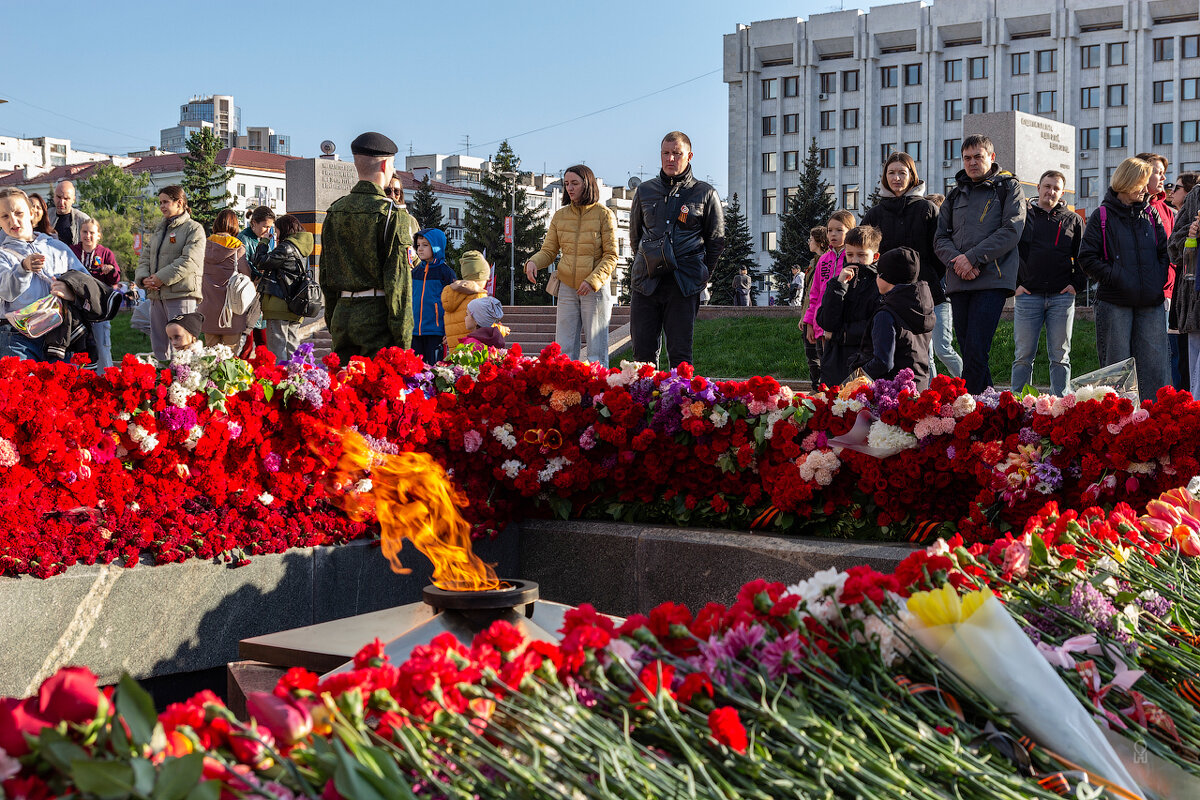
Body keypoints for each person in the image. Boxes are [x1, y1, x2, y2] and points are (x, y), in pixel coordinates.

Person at [934, 134, 1026, 394]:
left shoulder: (1008, 187)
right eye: (967, 158)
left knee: (976, 347)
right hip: (959, 279)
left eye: (978, 156)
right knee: (970, 350)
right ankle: (989, 406)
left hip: (992, 279)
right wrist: (958, 262)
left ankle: (969, 408)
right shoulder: (953, 196)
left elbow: (1012, 229)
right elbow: (940, 238)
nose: (972, 162)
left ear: (992, 157)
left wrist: (972, 257)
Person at [1078, 157, 1171, 403]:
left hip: (1151, 303)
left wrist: (1156, 280)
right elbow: (1087, 257)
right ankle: (1117, 425)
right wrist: (1117, 278)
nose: (1145, 189)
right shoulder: (1102, 216)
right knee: (1115, 371)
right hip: (1114, 303)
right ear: (1127, 182)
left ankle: (1153, 422)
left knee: (1154, 369)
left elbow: (1164, 253)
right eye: (1141, 183)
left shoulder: (1152, 214)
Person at [861, 151, 961, 380]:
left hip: (925, 293)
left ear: (912, 176)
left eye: (902, 173)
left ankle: (940, 396)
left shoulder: (927, 209)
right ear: (885, 176)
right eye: (891, 173)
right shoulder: (875, 214)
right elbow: (866, 252)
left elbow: (939, 250)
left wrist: (926, 278)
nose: (896, 178)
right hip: (887, 297)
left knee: (929, 352)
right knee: (899, 354)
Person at [629, 131, 725, 368]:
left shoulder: (705, 193)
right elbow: (635, 236)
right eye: (665, 153)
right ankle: (644, 402)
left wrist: (701, 273)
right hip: (646, 281)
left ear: (689, 156)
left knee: (681, 356)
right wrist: (648, 260)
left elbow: (716, 240)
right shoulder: (645, 191)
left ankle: (680, 402)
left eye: (676, 153)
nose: (670, 158)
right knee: (642, 356)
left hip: (683, 282)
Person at [318, 131, 413, 362]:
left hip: (342, 316)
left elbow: (325, 276)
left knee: (342, 393)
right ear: (385, 165)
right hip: (377, 321)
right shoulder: (391, 213)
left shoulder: (334, 211)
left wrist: (334, 320)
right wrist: (403, 342)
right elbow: (398, 283)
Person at [525, 164, 618, 363]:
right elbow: (549, 251)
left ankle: (598, 392)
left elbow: (611, 256)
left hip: (594, 289)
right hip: (567, 287)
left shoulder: (604, 215)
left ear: (588, 184)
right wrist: (533, 262)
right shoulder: (560, 216)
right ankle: (565, 392)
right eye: (567, 184)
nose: (570, 188)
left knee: (596, 350)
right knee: (563, 349)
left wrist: (592, 280)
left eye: (575, 183)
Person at [1010, 170, 1085, 396]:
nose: (1050, 191)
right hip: (1027, 295)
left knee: (1060, 357)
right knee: (1023, 356)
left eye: (1055, 188)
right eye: (1047, 186)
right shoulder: (1023, 216)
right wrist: (1015, 285)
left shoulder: (1073, 220)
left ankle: (1061, 404)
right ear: (1039, 187)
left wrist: (1076, 285)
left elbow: (1083, 256)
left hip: (1061, 298)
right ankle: (1017, 402)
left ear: (1062, 193)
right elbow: (1010, 251)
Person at [0, 188, 89, 361]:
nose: (13, 220)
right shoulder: (2, 254)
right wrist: (23, 268)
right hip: (16, 337)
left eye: (19, 213)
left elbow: (85, 282)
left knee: (58, 387)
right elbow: (6, 291)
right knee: (20, 387)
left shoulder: (58, 248)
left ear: (32, 213)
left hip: (58, 334)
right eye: (4, 216)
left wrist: (71, 291)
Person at [134, 185, 205, 361]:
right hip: (156, 295)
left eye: (166, 202)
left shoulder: (194, 229)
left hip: (181, 294)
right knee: (159, 346)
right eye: (160, 202)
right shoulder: (159, 230)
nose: (162, 206)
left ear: (179, 202)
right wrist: (144, 279)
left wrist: (160, 278)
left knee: (183, 346)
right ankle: (160, 381)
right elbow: (144, 258)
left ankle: (185, 382)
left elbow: (190, 261)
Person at [850, 246, 935, 390]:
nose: (876, 278)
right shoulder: (922, 307)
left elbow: (883, 362)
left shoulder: (886, 314)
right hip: (919, 389)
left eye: (879, 274)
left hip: (894, 394)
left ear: (887, 278)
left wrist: (854, 380)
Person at [816, 225, 882, 386]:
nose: (855, 260)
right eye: (850, 254)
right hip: (835, 361)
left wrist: (840, 334)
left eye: (861, 255)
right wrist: (839, 286)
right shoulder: (837, 282)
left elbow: (874, 326)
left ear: (875, 256)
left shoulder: (879, 284)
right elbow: (826, 321)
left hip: (864, 361)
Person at [251, 214, 313, 361]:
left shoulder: (286, 248)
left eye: (277, 230)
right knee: (292, 348)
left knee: (277, 351)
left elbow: (259, 261)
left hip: (279, 305)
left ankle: (281, 381)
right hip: (296, 304)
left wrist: (264, 241)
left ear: (284, 230)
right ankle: (295, 380)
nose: (275, 234)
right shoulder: (302, 248)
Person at [802, 210, 853, 383]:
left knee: (842, 372)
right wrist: (810, 322)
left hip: (841, 327)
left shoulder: (851, 258)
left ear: (850, 231)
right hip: (819, 325)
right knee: (824, 369)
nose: (833, 234)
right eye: (830, 230)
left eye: (839, 230)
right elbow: (814, 294)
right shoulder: (823, 259)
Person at [197, 209, 253, 349]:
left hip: (207, 310)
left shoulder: (203, 246)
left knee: (209, 357)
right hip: (231, 312)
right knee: (230, 359)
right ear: (234, 225)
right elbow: (246, 277)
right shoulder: (238, 249)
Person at [69, 218, 122, 368]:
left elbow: (115, 279)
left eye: (92, 232)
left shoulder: (105, 253)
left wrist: (110, 269)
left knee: (102, 345)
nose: (88, 236)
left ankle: (107, 379)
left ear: (98, 235)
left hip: (99, 308)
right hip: (76, 308)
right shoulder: (72, 251)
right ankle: (76, 381)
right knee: (75, 346)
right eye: (84, 232)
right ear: (80, 233)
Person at [1168, 176, 1200, 397]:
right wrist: (1192, 229)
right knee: (1195, 375)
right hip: (1196, 300)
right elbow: (1174, 246)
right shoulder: (1195, 195)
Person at [410, 227, 456, 365]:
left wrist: (448, 331)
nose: (420, 249)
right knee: (414, 370)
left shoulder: (446, 273)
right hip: (414, 332)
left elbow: (452, 305)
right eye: (418, 245)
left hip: (436, 332)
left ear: (437, 246)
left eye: (425, 245)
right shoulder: (415, 272)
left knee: (435, 370)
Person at [237, 206, 274, 358]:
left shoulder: (263, 239)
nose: (267, 230)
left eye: (270, 227)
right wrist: (260, 272)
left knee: (263, 344)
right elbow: (244, 262)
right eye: (265, 226)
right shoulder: (243, 238)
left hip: (261, 294)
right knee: (247, 343)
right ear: (253, 223)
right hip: (248, 295)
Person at [797, 226, 828, 388]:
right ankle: (816, 384)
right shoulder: (814, 261)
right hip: (810, 314)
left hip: (820, 315)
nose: (809, 242)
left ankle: (820, 386)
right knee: (812, 354)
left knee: (819, 355)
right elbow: (809, 293)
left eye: (811, 239)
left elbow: (814, 293)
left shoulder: (824, 262)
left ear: (819, 241)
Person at [442, 250, 490, 352]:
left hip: (454, 351)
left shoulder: (452, 293)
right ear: (480, 277)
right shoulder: (479, 296)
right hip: (472, 351)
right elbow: (484, 325)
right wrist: (501, 330)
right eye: (486, 279)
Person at [48, 180, 90, 248]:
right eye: (58, 197)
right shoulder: (46, 217)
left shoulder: (83, 220)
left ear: (73, 199)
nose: (61, 202)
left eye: (66, 198)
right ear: (54, 197)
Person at [385, 172, 421, 239]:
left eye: (396, 191)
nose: (392, 195)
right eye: (387, 191)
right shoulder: (375, 218)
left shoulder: (411, 221)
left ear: (400, 194)